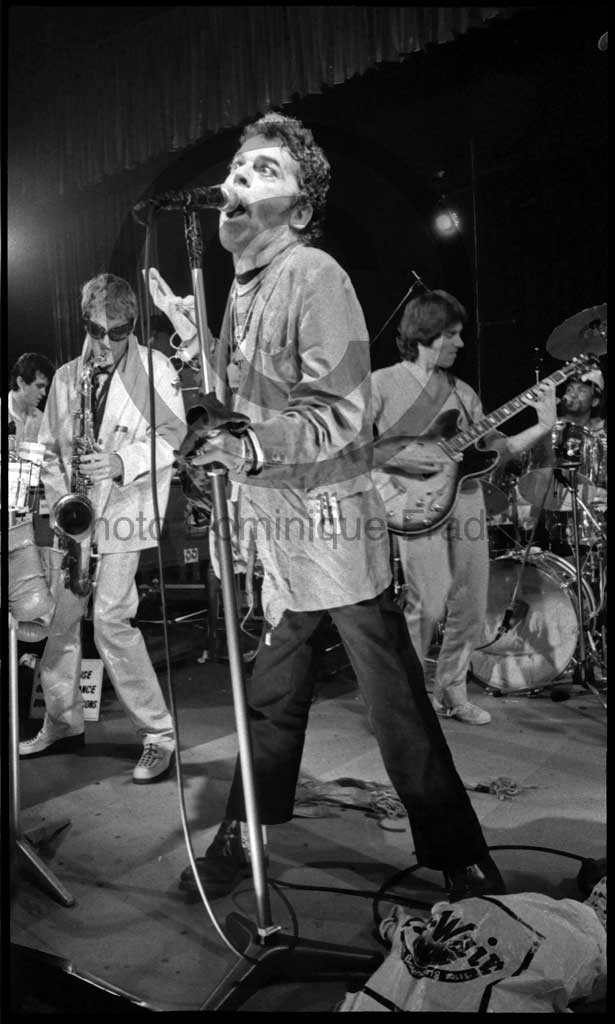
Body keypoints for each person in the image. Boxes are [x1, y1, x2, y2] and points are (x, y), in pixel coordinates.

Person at [176, 112, 505, 903]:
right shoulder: (242, 290)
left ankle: (458, 851)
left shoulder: (314, 272)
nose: (240, 176)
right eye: (237, 164)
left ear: (296, 210)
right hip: (281, 533)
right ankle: (245, 829)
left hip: (332, 526)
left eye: (264, 169)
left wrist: (249, 446)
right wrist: (208, 423)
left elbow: (342, 410)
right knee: (271, 695)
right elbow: (246, 412)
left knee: (391, 697)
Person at [19, 273, 187, 784]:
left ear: (132, 325)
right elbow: (47, 449)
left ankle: (158, 734)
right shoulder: (69, 376)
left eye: (118, 332)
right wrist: (60, 504)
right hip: (74, 521)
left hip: (125, 510)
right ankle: (62, 722)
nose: (107, 342)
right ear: (85, 323)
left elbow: (175, 439)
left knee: (113, 621)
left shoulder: (156, 369)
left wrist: (119, 460)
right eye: (97, 330)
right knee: (61, 624)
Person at [371, 291, 557, 725]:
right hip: (410, 501)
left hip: (466, 499)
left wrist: (542, 425)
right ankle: (414, 699)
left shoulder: (464, 392)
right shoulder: (381, 384)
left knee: (472, 603)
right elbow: (357, 446)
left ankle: (452, 690)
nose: (460, 344)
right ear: (426, 334)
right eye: (452, 335)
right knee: (428, 604)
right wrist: (405, 458)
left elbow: (495, 450)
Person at [6, 352, 55, 445]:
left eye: (45, 387)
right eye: (39, 386)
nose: (44, 393)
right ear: (21, 382)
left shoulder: (41, 420)